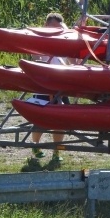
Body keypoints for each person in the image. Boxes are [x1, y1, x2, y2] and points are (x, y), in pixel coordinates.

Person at [30, 12, 70, 161]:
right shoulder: (39, 39)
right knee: (41, 119)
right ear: (46, 25)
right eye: (53, 28)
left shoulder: (64, 40)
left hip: (61, 85)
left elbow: (71, 62)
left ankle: (57, 152)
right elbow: (36, 58)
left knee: (61, 121)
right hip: (44, 85)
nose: (55, 31)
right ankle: (35, 147)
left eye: (58, 28)